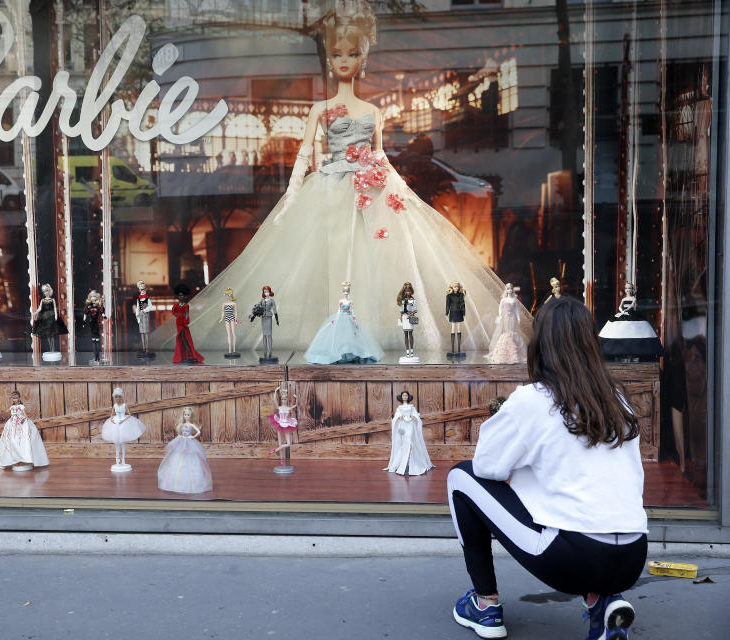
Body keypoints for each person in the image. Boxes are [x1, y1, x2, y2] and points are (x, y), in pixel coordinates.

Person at [150, 0, 528, 354]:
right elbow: (303, 155)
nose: (343, 60)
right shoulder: (320, 109)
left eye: (351, 53)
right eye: (336, 54)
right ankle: (331, 332)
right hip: (330, 188)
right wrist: (292, 197)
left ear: (362, 57)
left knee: (374, 261)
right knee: (326, 262)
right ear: (329, 60)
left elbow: (379, 154)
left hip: (369, 190)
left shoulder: (373, 110)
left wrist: (399, 189)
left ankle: (369, 332)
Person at [447, 297, 647, 640]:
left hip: (573, 557)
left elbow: (486, 466)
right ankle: (602, 603)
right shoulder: (617, 398)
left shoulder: (534, 399)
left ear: (540, 344)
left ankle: (485, 604)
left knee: (460, 478)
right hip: (632, 556)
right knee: (568, 491)